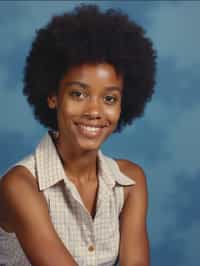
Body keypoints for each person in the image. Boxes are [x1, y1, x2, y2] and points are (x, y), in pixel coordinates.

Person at [0, 4, 156, 266]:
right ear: (52, 96)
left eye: (109, 98)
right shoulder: (20, 185)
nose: (95, 111)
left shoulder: (130, 183)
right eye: (78, 94)